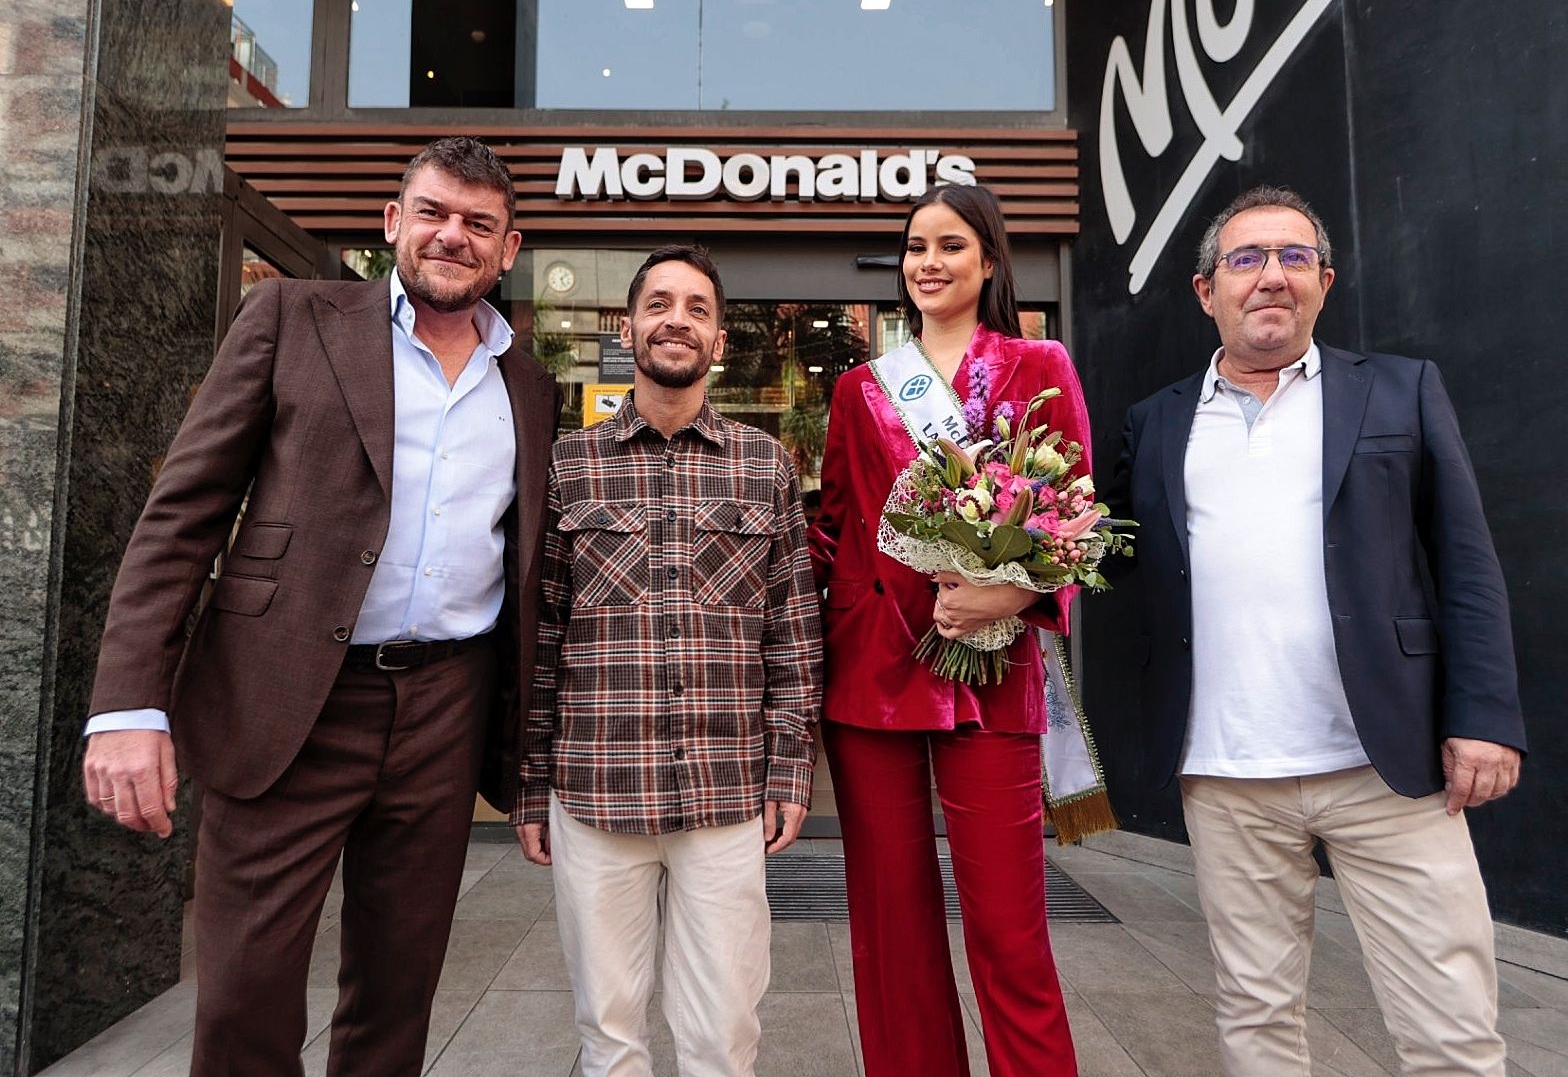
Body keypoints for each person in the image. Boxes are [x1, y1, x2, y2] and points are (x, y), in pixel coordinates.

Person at [80, 136, 560, 1075]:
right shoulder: (292, 317)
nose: (451, 236)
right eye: (432, 212)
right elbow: (182, 513)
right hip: (287, 691)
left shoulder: (529, 386)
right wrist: (129, 706)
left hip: (446, 707)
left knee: (399, 985)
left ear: (509, 250)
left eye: (478, 224)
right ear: (393, 223)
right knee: (245, 989)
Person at [1106, 185, 1525, 1075]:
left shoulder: (1402, 390)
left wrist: (1484, 716)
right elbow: (1102, 556)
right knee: (1256, 1020)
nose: (1271, 278)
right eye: (1247, 259)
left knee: (1452, 1022)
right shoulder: (1156, 421)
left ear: (1324, 283)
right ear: (1205, 288)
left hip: (1391, 767)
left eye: (1294, 258)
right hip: (1227, 772)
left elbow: (1467, 562)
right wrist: (991, 565)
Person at [513, 245, 822, 1077]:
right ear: (628, 328)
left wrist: (790, 772)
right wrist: (530, 782)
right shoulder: (568, 463)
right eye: (659, 304)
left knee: (724, 1033)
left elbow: (793, 632)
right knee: (608, 1031)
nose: (676, 320)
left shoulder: (765, 467)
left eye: (697, 308)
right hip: (594, 787)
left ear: (720, 341)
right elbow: (541, 640)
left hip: (725, 793)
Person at [807, 184, 1083, 1077]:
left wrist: (1013, 597)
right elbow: (836, 525)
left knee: (1008, 929)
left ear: (990, 260)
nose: (929, 262)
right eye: (916, 246)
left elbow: (1073, 516)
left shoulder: (1039, 362)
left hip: (994, 675)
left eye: (952, 245)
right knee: (891, 932)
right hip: (873, 673)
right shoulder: (861, 387)